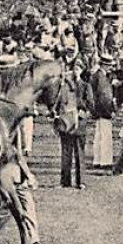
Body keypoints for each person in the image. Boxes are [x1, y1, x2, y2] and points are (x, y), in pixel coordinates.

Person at [53, 61, 85, 189]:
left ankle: (80, 181)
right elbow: (58, 103)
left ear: (82, 71)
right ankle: (65, 181)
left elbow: (90, 104)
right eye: (74, 69)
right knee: (66, 154)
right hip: (66, 123)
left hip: (79, 124)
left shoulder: (85, 86)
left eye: (78, 69)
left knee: (79, 155)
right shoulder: (64, 88)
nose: (75, 72)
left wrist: (82, 113)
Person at [88, 54, 116, 170]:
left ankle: (97, 160)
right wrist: (110, 111)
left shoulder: (98, 76)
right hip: (103, 110)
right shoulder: (101, 77)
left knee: (98, 136)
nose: (110, 68)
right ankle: (105, 161)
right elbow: (104, 97)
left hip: (98, 110)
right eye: (109, 65)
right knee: (106, 136)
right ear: (104, 65)